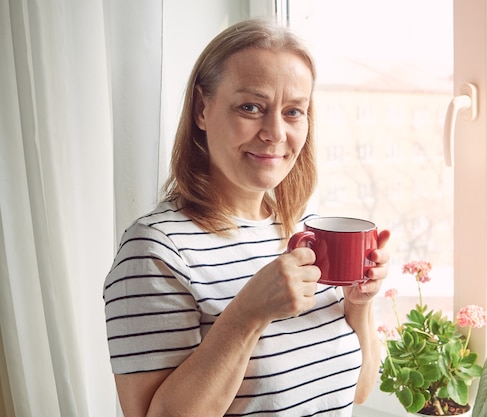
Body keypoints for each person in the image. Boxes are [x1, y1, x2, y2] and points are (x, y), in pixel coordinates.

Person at [103, 18, 391, 417]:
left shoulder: (305, 232)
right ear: (203, 110)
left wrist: (359, 304)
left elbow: (357, 390)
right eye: (251, 107)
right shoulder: (156, 249)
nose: (275, 132)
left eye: (293, 111)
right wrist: (247, 314)